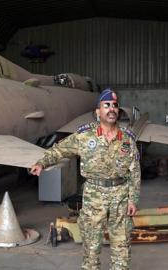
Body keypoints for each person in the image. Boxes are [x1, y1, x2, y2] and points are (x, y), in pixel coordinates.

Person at [30, 88, 141, 270]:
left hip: (120, 197)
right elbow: (60, 149)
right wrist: (42, 162)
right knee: (91, 249)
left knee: (122, 249)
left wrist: (133, 199)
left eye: (114, 106)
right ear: (98, 112)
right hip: (93, 197)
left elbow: (134, 171)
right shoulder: (85, 136)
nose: (111, 109)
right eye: (107, 105)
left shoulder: (127, 140)